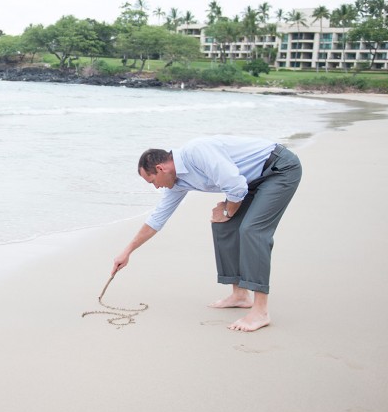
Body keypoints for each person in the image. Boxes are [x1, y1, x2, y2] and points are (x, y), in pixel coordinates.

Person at [111, 136, 302, 332]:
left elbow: (236, 187)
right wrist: (127, 252)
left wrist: (227, 210)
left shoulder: (196, 152)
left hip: (279, 169)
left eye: (152, 181)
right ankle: (240, 295)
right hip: (250, 181)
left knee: (252, 230)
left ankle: (260, 311)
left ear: (160, 169)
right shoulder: (176, 183)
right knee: (223, 225)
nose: (156, 187)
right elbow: (157, 219)